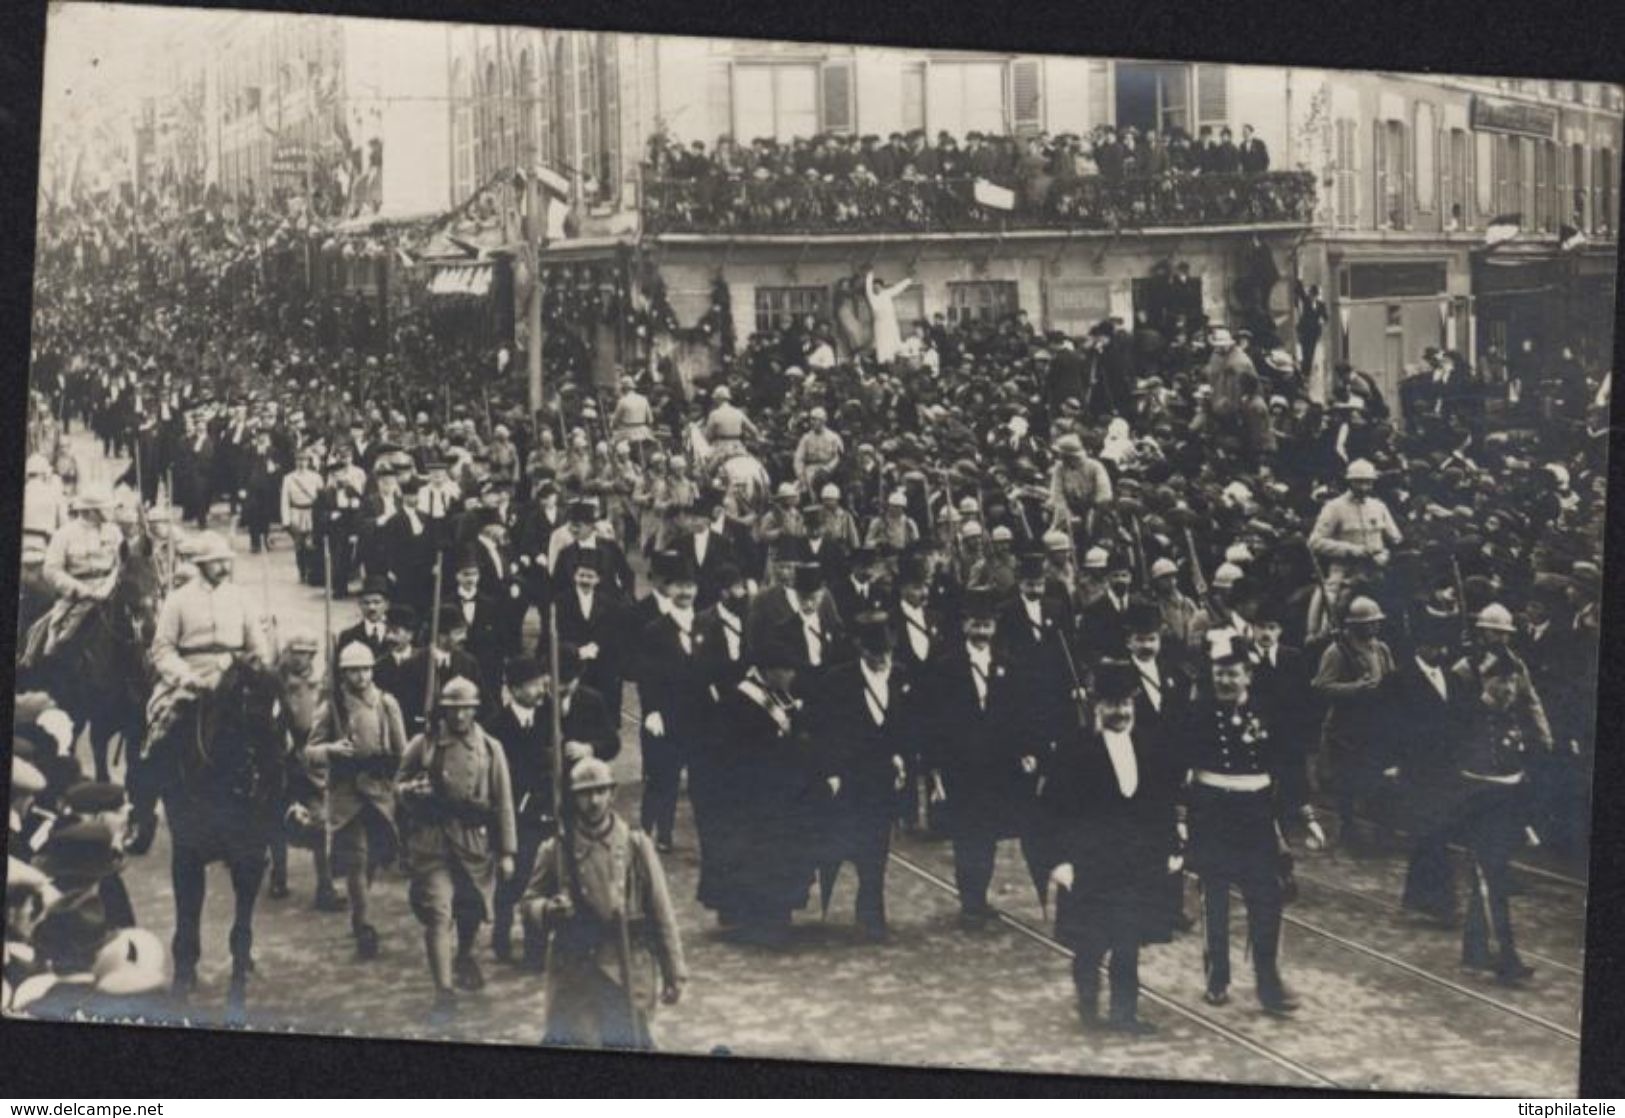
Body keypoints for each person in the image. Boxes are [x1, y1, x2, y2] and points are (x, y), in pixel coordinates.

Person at [1183, 634, 1325, 1014]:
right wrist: (1179, 819)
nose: (1225, 681)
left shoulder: (1268, 712)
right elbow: (1176, 766)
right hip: (1211, 814)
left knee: (1267, 896)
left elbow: (1288, 766)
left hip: (1256, 816)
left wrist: (1304, 814)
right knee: (1214, 896)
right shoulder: (1195, 715)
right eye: (1219, 674)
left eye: (1233, 674)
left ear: (1248, 675)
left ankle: (1268, 979)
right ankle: (1217, 975)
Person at [1040, 662, 1183, 1034]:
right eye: (1111, 705)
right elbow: (1050, 811)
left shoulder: (1149, 746)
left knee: (1128, 941)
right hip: (1091, 864)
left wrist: (1171, 847)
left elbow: (1161, 801)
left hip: (1137, 863)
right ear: (1096, 707)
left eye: (1125, 704)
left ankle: (1124, 1013)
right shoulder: (1074, 751)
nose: (1120, 713)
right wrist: (1057, 862)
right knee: (1090, 943)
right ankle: (1088, 1009)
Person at [521, 757, 687, 1049]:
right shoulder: (557, 851)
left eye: (600, 791)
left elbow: (662, 913)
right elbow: (528, 903)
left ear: (613, 793)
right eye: (585, 793)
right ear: (574, 798)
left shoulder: (636, 846)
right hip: (576, 970)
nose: (593, 800)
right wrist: (548, 909)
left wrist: (674, 971)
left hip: (625, 967)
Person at [395, 676, 518, 1022]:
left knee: (472, 910)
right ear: (444, 710)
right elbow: (398, 786)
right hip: (433, 843)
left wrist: (507, 851)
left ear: (475, 710)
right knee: (438, 912)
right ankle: (444, 991)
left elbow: (503, 802)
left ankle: (464, 954)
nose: (460, 716)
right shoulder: (424, 744)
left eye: (466, 709)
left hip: (474, 845)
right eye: (453, 709)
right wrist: (411, 791)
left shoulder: (490, 748)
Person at [805, 611, 914, 940]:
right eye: (874, 653)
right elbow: (824, 731)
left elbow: (904, 726)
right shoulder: (838, 681)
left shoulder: (899, 676)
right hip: (849, 780)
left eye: (886, 653)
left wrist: (900, 756)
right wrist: (832, 771)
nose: (881, 660)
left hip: (882, 779)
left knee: (877, 849)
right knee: (845, 842)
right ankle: (831, 906)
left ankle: (871, 914)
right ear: (861, 650)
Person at [306, 641, 406, 961]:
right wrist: (332, 750)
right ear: (343, 674)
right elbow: (310, 752)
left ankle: (360, 904)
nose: (360, 677)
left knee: (374, 857)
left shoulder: (386, 703)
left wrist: (395, 773)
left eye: (365, 669)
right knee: (357, 859)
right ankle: (363, 923)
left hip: (378, 791)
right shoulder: (331, 707)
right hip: (346, 793)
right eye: (353, 671)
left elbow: (402, 752)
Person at [1310, 596, 1397, 848]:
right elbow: (1321, 686)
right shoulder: (1337, 651)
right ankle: (1348, 826)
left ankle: (1382, 829)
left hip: (1376, 723)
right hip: (1346, 725)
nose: (1374, 628)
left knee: (1379, 778)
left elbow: (1391, 677)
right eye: (1368, 624)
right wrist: (1356, 688)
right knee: (1346, 779)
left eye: (1376, 623)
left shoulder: (1381, 649)